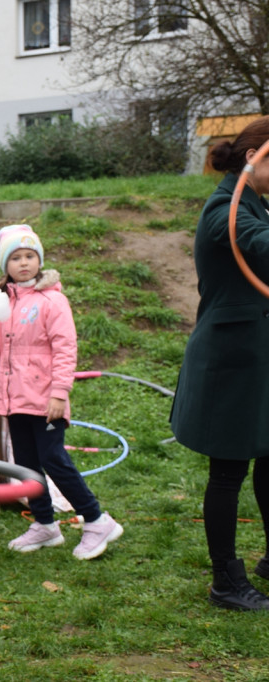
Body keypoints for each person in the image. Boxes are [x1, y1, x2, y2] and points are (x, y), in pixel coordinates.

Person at [0, 224, 123, 560]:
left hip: (45, 398)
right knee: (26, 463)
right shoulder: (3, 302)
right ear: (5, 266)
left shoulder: (53, 300)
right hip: (14, 398)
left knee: (54, 458)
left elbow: (65, 349)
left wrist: (59, 393)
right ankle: (44, 524)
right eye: (16, 257)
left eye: (30, 255)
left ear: (39, 260)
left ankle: (97, 519)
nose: (24, 263)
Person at [169, 116, 269, 611]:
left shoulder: (254, 201)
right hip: (229, 363)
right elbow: (260, 246)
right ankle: (226, 581)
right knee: (229, 472)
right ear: (256, 158)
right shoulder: (222, 209)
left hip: (256, 360)